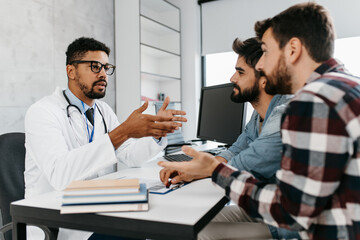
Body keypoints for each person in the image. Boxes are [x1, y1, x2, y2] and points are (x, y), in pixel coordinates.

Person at [158, 2, 360, 239]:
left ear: (293, 49)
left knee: (196, 231)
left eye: (265, 51)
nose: (262, 64)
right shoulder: (345, 86)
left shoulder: (312, 102)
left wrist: (216, 170)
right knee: (191, 223)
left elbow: (291, 212)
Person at [24, 37, 186, 240]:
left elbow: (129, 155)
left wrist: (156, 133)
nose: (103, 74)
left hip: (98, 205)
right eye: (94, 66)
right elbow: (60, 175)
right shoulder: (42, 112)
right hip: (59, 216)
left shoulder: (103, 110)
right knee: (142, 230)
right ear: (71, 71)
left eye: (106, 67)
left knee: (161, 215)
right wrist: (124, 131)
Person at [160, 37, 298, 239]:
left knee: (201, 233)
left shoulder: (285, 113)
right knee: (191, 220)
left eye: (240, 72)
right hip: (263, 210)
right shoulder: (257, 116)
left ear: (264, 78)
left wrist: (198, 170)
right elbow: (235, 150)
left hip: (286, 224)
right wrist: (197, 168)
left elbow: (247, 164)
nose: (232, 78)